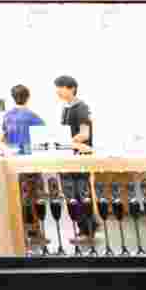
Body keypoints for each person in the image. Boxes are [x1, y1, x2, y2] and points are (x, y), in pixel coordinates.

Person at [54, 75, 96, 245]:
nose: (57, 90)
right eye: (56, 87)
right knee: (71, 194)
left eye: (60, 87)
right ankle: (84, 229)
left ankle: (88, 231)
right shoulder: (66, 108)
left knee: (81, 193)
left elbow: (85, 134)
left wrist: (68, 142)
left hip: (80, 158)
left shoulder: (81, 107)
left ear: (71, 88)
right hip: (68, 157)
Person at [1, 84, 45, 156]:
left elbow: (3, 137)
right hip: (28, 154)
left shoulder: (7, 116)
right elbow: (43, 136)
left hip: (11, 154)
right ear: (28, 98)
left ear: (13, 97)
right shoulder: (33, 116)